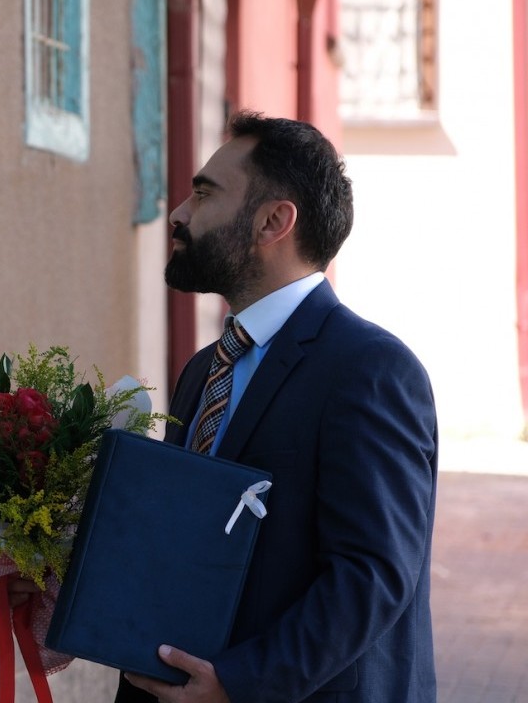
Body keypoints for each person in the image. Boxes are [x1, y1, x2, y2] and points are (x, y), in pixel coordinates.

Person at [117, 112, 439, 702]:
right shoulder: (204, 368)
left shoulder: (370, 369)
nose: (179, 214)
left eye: (204, 193)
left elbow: (373, 575)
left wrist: (239, 684)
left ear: (273, 221)